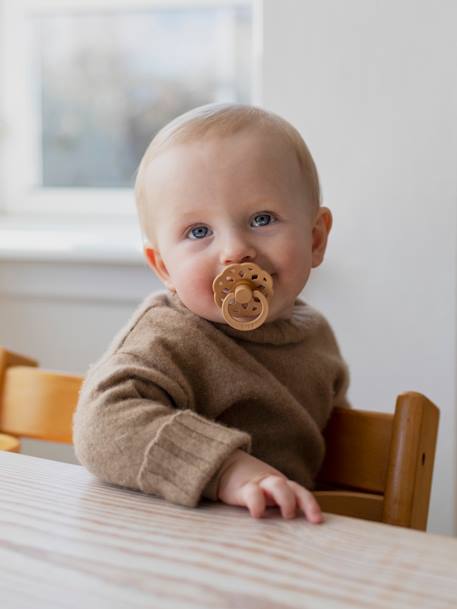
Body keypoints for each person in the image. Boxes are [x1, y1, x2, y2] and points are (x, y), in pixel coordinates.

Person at [73, 103, 350, 523]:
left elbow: (339, 456)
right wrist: (226, 469)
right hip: (175, 542)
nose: (235, 250)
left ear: (315, 240)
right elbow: (101, 426)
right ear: (164, 267)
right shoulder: (169, 336)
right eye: (199, 232)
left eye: (261, 218)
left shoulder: (316, 337)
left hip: (278, 543)